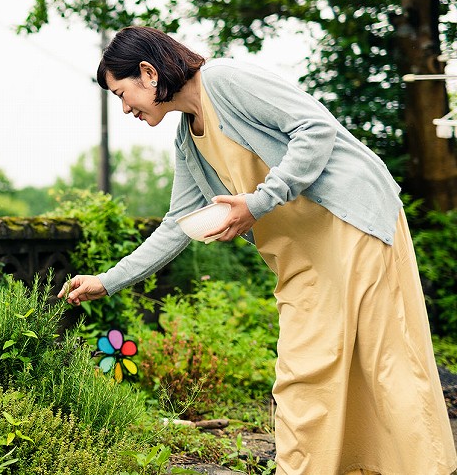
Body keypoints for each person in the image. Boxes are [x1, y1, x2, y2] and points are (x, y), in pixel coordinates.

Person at [57, 26, 457, 475]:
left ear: (148, 73)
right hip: (302, 261)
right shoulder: (188, 140)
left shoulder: (225, 81)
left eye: (121, 92)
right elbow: (177, 225)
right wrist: (108, 281)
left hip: (353, 226)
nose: (125, 107)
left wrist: (259, 201)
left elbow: (315, 127)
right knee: (302, 379)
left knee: (386, 365)